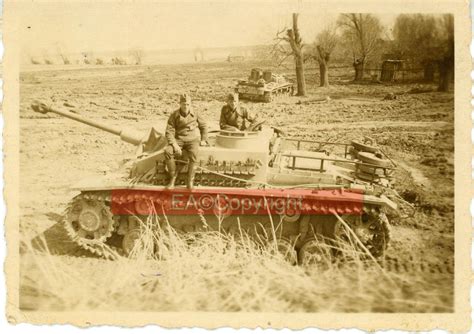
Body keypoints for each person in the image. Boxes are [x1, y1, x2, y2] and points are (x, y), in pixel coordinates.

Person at [164, 93, 208, 190]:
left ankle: (190, 181)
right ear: (180, 104)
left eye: (188, 104)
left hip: (192, 140)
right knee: (168, 151)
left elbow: (203, 126)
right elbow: (169, 131)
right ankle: (172, 179)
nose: (186, 106)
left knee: (194, 155)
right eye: (184, 104)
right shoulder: (174, 115)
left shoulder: (195, 114)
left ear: (190, 104)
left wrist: (203, 139)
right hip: (179, 139)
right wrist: (174, 145)